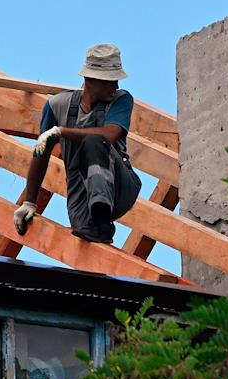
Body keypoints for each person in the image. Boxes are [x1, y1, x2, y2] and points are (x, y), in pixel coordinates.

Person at [13, 43, 142, 243]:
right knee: (92, 142)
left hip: (120, 188)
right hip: (81, 202)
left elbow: (109, 135)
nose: (115, 86)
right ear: (91, 79)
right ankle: (94, 221)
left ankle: (102, 224)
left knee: (95, 141)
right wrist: (29, 202)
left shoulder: (121, 100)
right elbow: (41, 152)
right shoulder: (57, 106)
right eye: (110, 81)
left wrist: (61, 131)